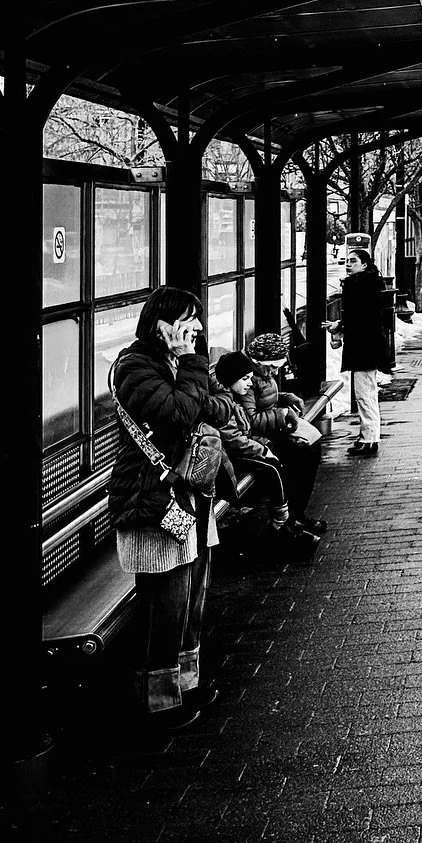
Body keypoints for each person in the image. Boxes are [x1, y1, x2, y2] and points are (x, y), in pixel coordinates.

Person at [108, 286, 234, 729]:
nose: (195, 328)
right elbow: (178, 414)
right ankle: (158, 704)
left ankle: (187, 683)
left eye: (197, 320)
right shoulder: (135, 365)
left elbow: (224, 406)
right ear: (160, 324)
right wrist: (193, 369)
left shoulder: (182, 363)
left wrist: (193, 385)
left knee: (192, 597)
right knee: (166, 601)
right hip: (153, 500)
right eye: (186, 319)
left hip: (192, 497)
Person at [211, 351, 318, 559]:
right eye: (245, 379)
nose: (249, 383)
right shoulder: (223, 403)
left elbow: (242, 432)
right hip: (232, 457)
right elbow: (235, 438)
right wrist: (263, 448)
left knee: (294, 454)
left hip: (243, 447)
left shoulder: (231, 396)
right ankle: (282, 523)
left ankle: (288, 520)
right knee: (272, 468)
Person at [246, 332, 326, 532]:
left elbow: (265, 400)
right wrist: (281, 414)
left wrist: (285, 398)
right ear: (258, 361)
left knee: (311, 449)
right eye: (271, 366)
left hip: (270, 431)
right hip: (257, 437)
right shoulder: (247, 378)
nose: (273, 372)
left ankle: (297, 513)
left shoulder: (262, 373)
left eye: (277, 367)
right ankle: (291, 518)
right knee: (299, 454)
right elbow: (250, 420)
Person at [334, 246, 389, 457]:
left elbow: (358, 318)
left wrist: (340, 326)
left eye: (353, 261)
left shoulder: (358, 286)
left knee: (364, 395)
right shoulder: (367, 285)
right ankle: (366, 435)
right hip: (367, 346)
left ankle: (370, 438)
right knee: (365, 393)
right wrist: (340, 325)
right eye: (348, 261)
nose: (348, 264)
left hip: (363, 348)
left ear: (364, 265)